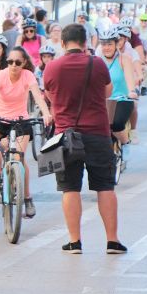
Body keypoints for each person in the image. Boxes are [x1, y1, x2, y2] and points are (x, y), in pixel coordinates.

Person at [43, 23, 126, 254]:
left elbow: (50, 95)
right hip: (98, 134)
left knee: (70, 188)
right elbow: (108, 92)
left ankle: (74, 241)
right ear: (86, 42)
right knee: (105, 187)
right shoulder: (97, 63)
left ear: (62, 43)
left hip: (66, 136)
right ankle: (112, 241)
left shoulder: (52, 67)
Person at [0, 47, 52, 218]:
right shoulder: (1, 75)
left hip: (20, 123)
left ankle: (27, 198)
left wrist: (46, 113)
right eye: (10, 62)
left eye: (17, 62)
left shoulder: (28, 76)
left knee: (19, 157)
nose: (13, 65)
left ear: (24, 63)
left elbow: (37, 96)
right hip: (0, 121)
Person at [100, 28, 139, 158]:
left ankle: (125, 142)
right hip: (103, 101)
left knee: (116, 124)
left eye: (110, 44)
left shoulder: (124, 59)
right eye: (104, 44)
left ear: (117, 44)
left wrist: (132, 91)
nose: (106, 47)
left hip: (122, 99)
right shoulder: (97, 61)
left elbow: (129, 78)